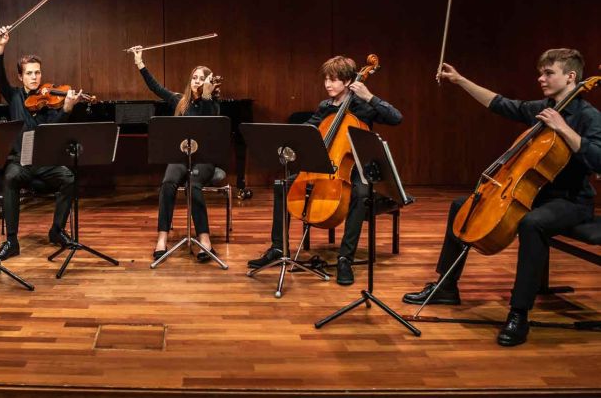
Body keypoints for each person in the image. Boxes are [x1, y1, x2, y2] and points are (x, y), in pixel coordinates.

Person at [403, 50, 601, 346]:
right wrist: (460, 81)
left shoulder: (589, 116)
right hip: (531, 192)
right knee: (464, 205)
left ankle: (519, 312)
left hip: (571, 201)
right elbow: (500, 104)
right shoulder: (541, 107)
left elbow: (599, 159)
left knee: (532, 224)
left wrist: (564, 129)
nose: (541, 78)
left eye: (548, 73)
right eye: (541, 72)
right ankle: (446, 287)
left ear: (571, 77)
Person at [247, 56, 402, 285]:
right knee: (283, 185)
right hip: (326, 165)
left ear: (349, 81)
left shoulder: (364, 106)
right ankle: (278, 248)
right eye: (326, 79)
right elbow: (309, 128)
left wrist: (369, 96)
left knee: (360, 195)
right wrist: (288, 138)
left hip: (356, 166)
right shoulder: (325, 106)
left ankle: (344, 258)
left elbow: (396, 118)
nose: (328, 84)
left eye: (334, 79)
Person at [0, 26, 81, 261]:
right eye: (29, 73)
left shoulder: (51, 101)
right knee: (9, 177)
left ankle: (57, 231)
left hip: (44, 163)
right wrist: (0, 47)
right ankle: (11, 241)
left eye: (37, 73)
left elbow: (54, 131)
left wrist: (67, 109)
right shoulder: (13, 96)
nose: (34, 77)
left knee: (69, 178)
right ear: (20, 77)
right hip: (20, 162)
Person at [131, 47, 222, 262]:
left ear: (208, 83)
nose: (197, 81)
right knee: (168, 183)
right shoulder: (180, 100)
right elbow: (156, 87)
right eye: (195, 77)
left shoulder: (213, 105)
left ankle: (205, 239)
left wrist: (207, 97)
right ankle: (162, 238)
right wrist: (140, 64)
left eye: (202, 79)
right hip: (181, 157)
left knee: (193, 185)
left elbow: (209, 126)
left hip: (204, 159)